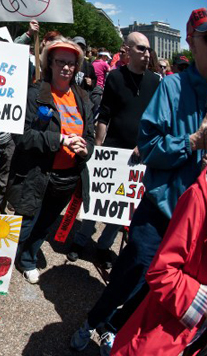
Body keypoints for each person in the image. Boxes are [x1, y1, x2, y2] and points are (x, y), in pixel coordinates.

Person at [71, 8, 207, 356]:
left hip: (195, 226)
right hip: (159, 213)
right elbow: (147, 149)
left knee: (155, 292)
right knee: (130, 275)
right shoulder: (171, 87)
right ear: (190, 41)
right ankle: (91, 321)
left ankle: (116, 329)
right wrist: (190, 143)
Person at [93, 134, 207, 356]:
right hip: (158, 327)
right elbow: (161, 272)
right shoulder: (202, 198)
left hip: (183, 331)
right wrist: (206, 301)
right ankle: (96, 324)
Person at [67, 32, 161, 269]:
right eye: (141, 48)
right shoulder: (115, 77)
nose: (146, 53)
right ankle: (80, 240)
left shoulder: (155, 81)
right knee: (99, 199)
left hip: (139, 156)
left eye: (148, 49)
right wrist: (99, 144)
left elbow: (157, 119)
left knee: (123, 206)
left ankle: (103, 246)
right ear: (127, 51)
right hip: (113, 150)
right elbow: (106, 112)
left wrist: (146, 143)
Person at [6, 38, 95, 284]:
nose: (66, 68)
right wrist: (61, 141)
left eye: (71, 63)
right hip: (38, 174)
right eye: (60, 62)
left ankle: (27, 260)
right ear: (50, 64)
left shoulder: (83, 97)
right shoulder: (36, 94)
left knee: (45, 224)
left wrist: (85, 148)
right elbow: (22, 136)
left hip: (67, 177)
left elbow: (90, 137)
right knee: (24, 223)